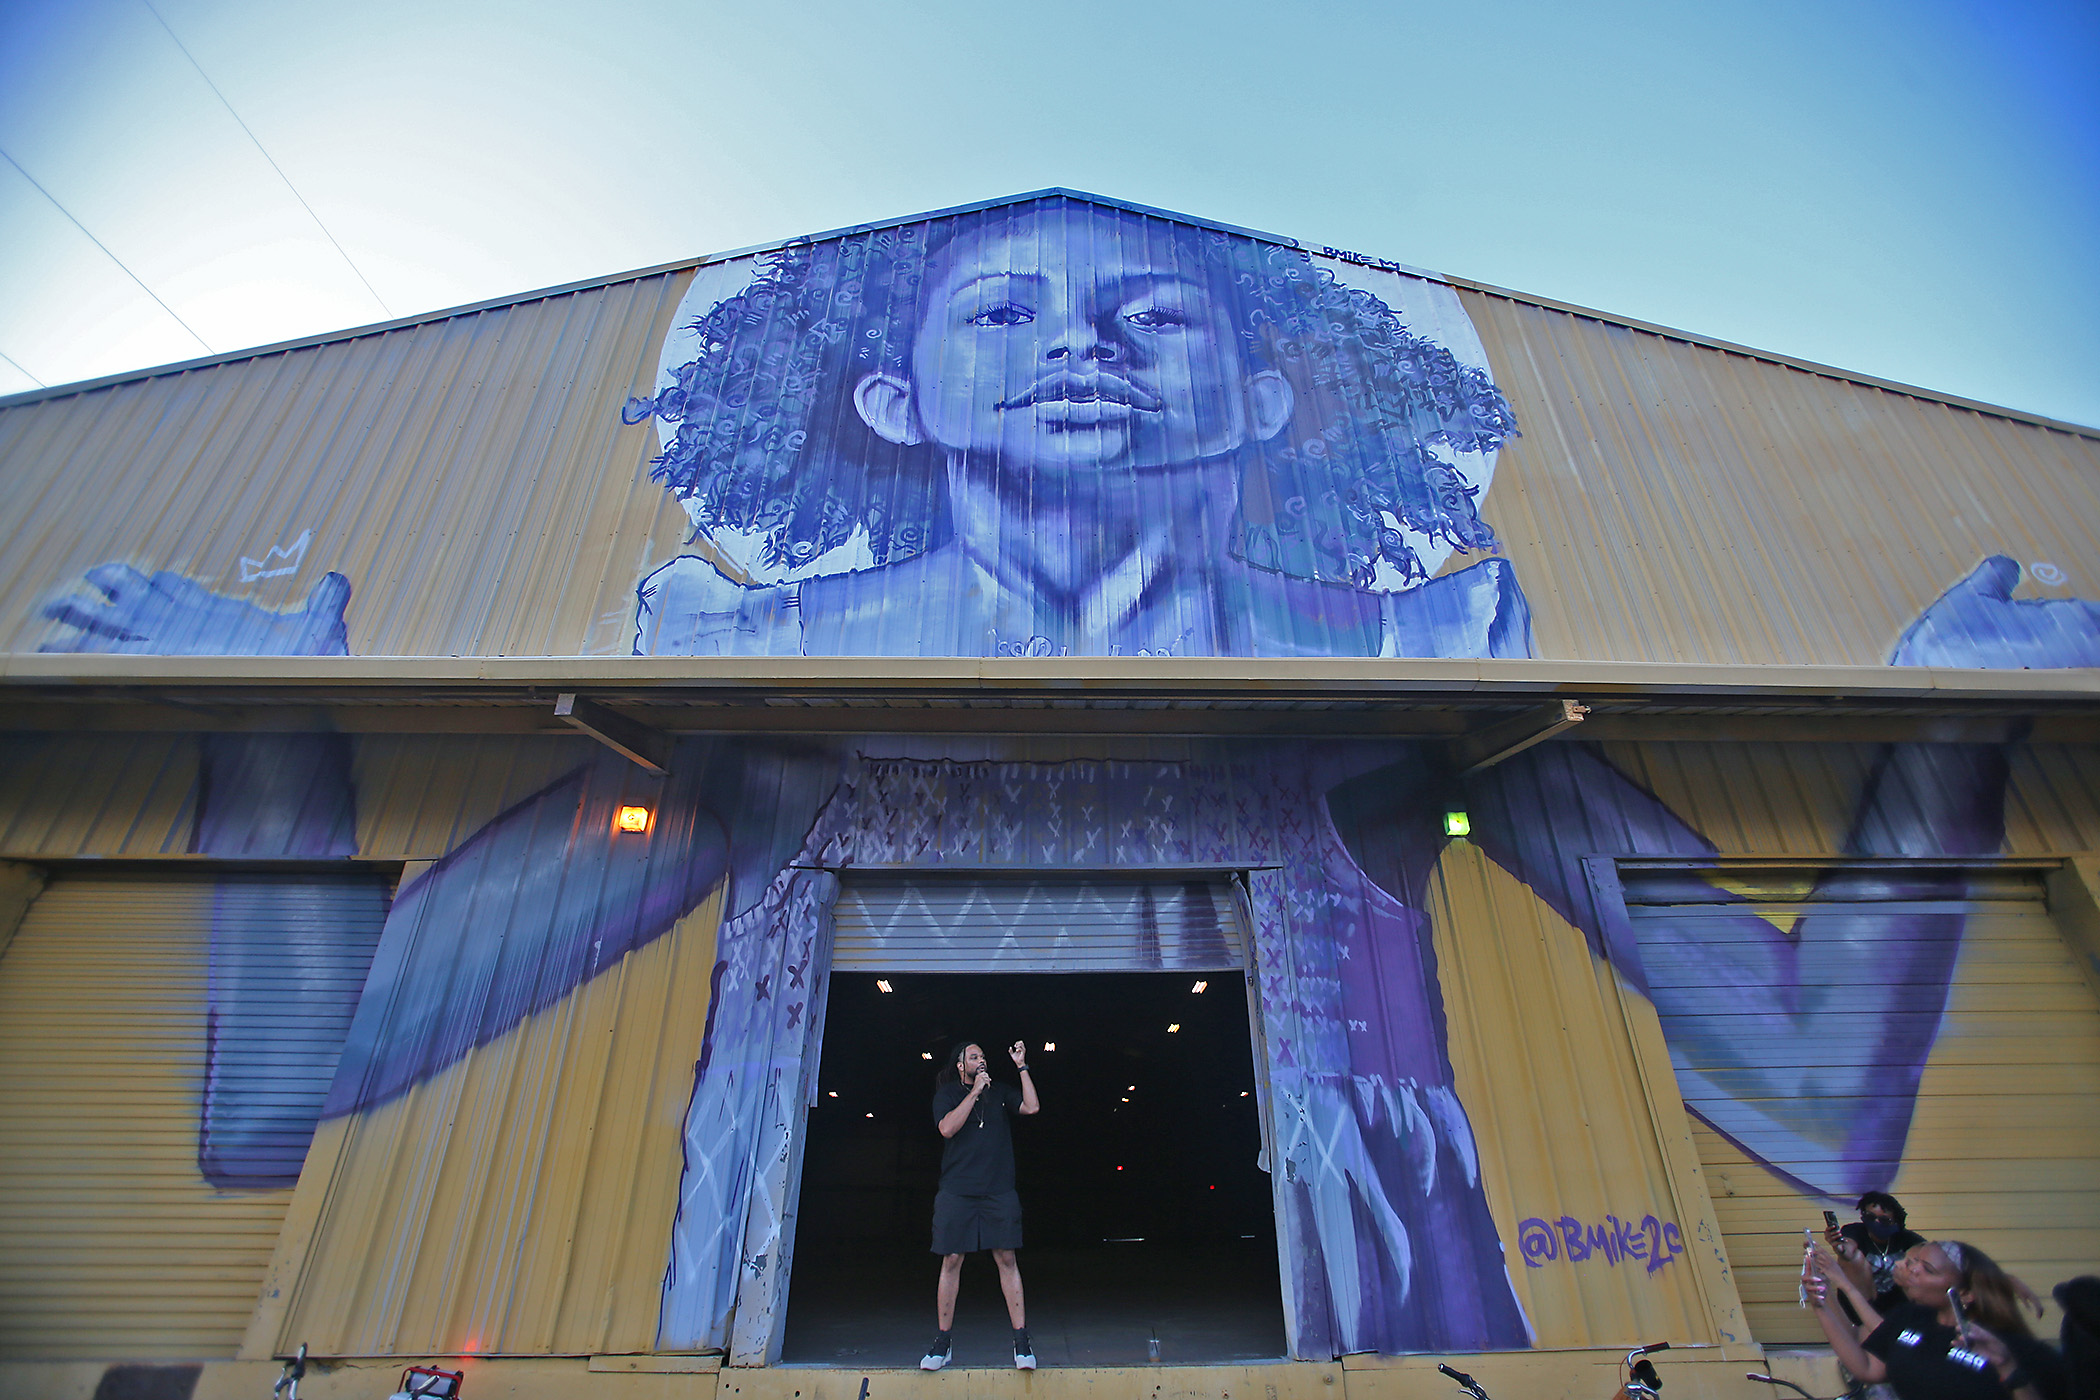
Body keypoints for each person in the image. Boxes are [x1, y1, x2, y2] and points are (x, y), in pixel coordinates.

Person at [624, 196, 1528, 660]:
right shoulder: (731, 636)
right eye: (1004, 316)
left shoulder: (1440, 636)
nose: (1082, 347)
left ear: (1263, 404)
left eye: (1159, 318)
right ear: (895, 405)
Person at [1805, 1238, 2066, 1400]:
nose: (1912, 1270)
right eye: (1914, 1262)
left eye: (1927, 1269)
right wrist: (1821, 1303)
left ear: (1965, 1293)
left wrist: (2008, 1369)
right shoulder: (1910, 1317)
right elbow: (1868, 1368)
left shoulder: (2021, 1352)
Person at [922, 1040, 1039, 1372]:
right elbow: (946, 1128)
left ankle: (1021, 1343)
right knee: (952, 1259)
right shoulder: (947, 1094)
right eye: (973, 1057)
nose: (981, 1060)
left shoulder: (1000, 1092)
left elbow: (1032, 1107)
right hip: (957, 1191)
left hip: (997, 1191)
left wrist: (1021, 1066)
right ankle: (942, 1344)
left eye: (983, 1056)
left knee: (1006, 1257)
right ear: (961, 1065)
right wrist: (974, 1093)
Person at [1827, 1192, 1928, 1314]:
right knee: (1855, 1259)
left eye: (1884, 1220)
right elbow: (1848, 1249)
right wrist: (1839, 1247)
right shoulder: (1856, 1231)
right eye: (1870, 1217)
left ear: (1896, 1221)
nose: (1876, 1222)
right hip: (1861, 1303)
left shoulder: (1906, 1238)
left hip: (1897, 1304)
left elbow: (1931, 1253)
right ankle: (1865, 1315)